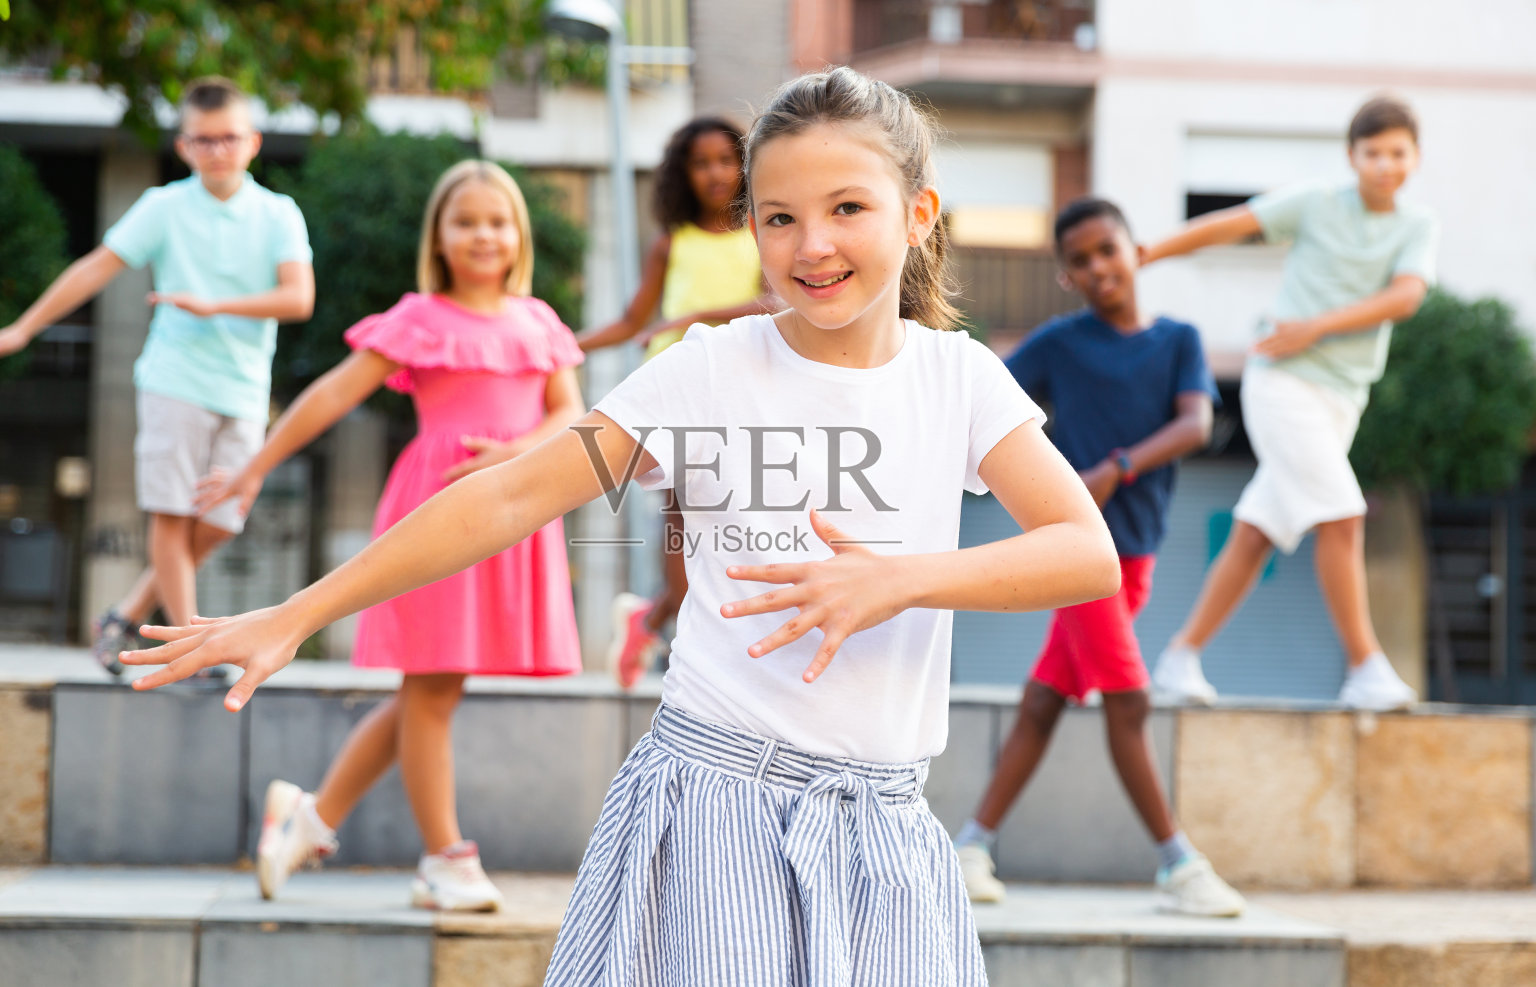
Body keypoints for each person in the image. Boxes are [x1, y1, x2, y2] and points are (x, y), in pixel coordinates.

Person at [125, 67, 1120, 983]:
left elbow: (1083, 553)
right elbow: (511, 495)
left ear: (918, 214)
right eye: (777, 218)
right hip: (716, 803)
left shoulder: (956, 378)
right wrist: (299, 614)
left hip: (888, 827)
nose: (811, 245)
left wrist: (899, 579)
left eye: (847, 209)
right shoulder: (711, 366)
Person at [194, 160, 584, 911]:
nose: (482, 234)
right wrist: (253, 467)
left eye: (497, 221)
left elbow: (570, 410)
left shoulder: (539, 321)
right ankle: (446, 857)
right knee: (432, 686)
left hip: (514, 509)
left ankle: (310, 817)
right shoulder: (417, 317)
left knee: (431, 689)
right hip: (436, 512)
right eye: (464, 220)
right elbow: (333, 393)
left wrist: (520, 450)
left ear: (519, 234)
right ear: (438, 235)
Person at [0, 76, 315, 676]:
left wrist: (214, 305)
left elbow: (297, 298)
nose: (217, 150)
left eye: (228, 138)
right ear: (184, 147)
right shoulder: (164, 207)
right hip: (173, 381)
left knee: (222, 522)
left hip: (244, 390)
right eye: (204, 140)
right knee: (171, 518)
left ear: (252, 142)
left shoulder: (278, 213)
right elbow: (97, 266)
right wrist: (23, 329)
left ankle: (123, 615)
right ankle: (193, 650)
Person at [952, 198, 1244, 918]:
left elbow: (1195, 423)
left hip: (1137, 554)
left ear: (1134, 250)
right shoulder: (1059, 344)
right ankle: (1178, 862)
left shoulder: (1178, 340)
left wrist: (1115, 466)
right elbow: (985, 398)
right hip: (1079, 551)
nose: (1097, 268)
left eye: (1106, 250)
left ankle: (969, 846)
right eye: (1079, 261)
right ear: (1066, 276)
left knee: (1048, 699)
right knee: (1129, 697)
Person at [1142, 95, 1438, 711]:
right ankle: (1364, 667)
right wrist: (1149, 252)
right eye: (1373, 153)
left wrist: (1319, 325)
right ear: (1352, 157)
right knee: (1344, 516)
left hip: (1342, 398)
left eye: (1398, 153)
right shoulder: (1317, 202)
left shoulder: (1416, 227)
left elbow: (1406, 297)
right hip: (1283, 384)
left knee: (1256, 533)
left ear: (1415, 157)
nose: (1386, 164)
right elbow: (1231, 225)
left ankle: (1179, 658)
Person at [574, 116, 774, 687]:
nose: (715, 173)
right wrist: (560, 344)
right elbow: (633, 322)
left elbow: (774, 304)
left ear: (746, 167)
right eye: (701, 162)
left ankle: (653, 615)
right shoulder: (672, 244)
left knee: (734, 527)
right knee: (681, 523)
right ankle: (679, 633)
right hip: (675, 392)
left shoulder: (763, 231)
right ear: (682, 175)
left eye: (725, 160)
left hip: (740, 388)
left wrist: (696, 317)